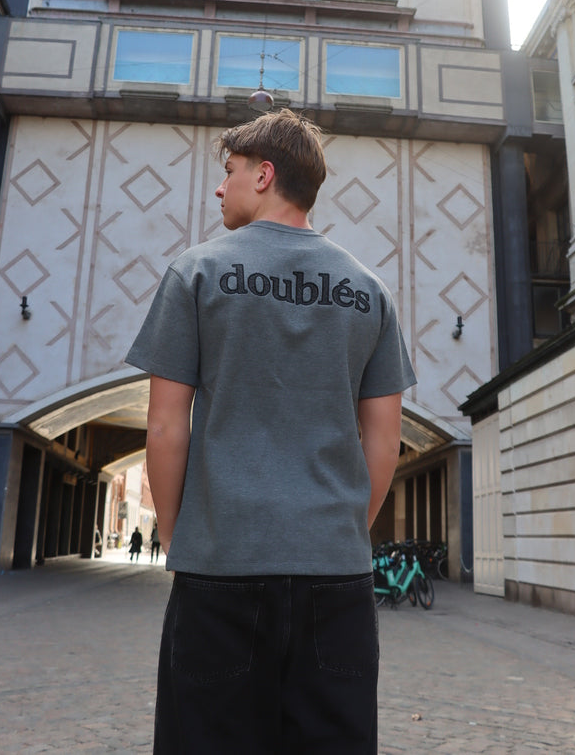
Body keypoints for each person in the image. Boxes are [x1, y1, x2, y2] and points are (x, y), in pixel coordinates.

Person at [126, 108, 416, 755]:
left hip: (221, 569)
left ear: (263, 174)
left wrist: (180, 538)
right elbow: (383, 441)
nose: (219, 187)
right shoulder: (369, 290)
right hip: (336, 577)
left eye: (228, 172)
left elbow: (167, 426)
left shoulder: (195, 272)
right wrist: (341, 531)